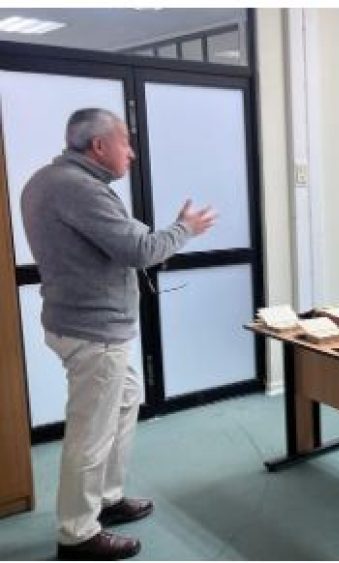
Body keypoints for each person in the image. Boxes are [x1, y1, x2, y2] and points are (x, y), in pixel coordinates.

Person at [20, 108, 216, 560]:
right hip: (94, 331)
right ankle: (78, 534)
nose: (132, 151)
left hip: (80, 323)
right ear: (99, 146)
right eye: (125, 141)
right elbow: (140, 249)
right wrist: (186, 228)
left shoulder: (47, 180)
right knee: (90, 431)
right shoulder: (79, 189)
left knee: (125, 400)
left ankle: (106, 499)